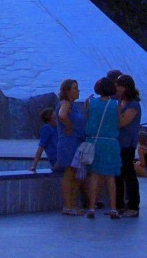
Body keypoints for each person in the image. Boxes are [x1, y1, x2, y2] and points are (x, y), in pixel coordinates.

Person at [83, 76, 121, 219]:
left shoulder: (90, 103)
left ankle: (91, 208)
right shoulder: (115, 104)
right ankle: (113, 208)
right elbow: (118, 122)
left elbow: (88, 119)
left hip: (95, 142)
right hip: (111, 143)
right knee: (110, 177)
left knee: (94, 176)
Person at [55, 78, 86, 216]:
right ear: (67, 91)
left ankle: (72, 205)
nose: (78, 90)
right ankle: (68, 205)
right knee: (70, 173)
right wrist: (69, 126)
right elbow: (62, 115)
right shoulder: (65, 103)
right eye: (75, 88)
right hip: (69, 143)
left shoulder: (73, 105)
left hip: (76, 142)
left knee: (75, 174)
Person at [115, 73, 142, 217]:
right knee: (117, 175)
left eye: (120, 86)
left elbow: (122, 122)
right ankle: (120, 205)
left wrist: (117, 112)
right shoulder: (121, 103)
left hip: (127, 144)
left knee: (128, 174)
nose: (117, 89)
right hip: (118, 144)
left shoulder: (133, 105)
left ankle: (133, 206)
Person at [28, 108, 57, 173]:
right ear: (49, 119)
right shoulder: (46, 128)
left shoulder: (57, 128)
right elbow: (41, 147)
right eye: (55, 118)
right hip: (56, 159)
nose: (57, 120)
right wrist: (34, 166)